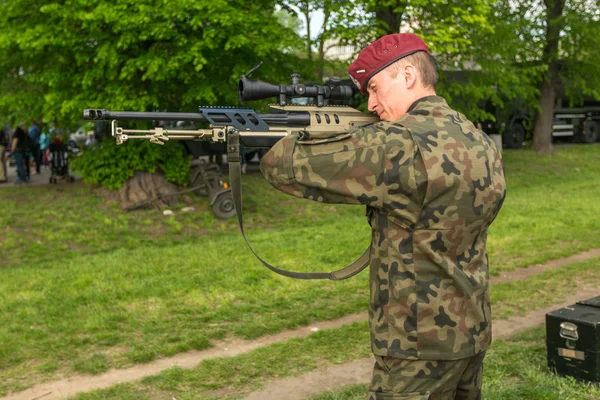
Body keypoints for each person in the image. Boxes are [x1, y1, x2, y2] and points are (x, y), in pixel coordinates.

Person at [260, 33, 506, 399]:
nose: (372, 104)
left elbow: (282, 166)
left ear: (408, 76)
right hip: (470, 332)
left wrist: (291, 129)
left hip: (416, 346)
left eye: (375, 88)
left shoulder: (398, 143)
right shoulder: (477, 139)